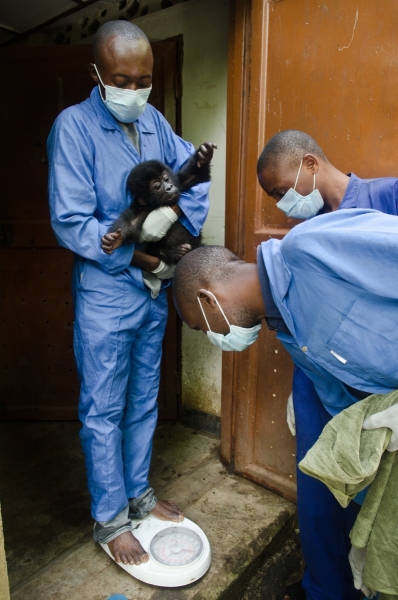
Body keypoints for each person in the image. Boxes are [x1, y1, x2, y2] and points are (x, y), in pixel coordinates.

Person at [48, 20, 210, 567]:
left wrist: (171, 240)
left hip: (153, 291)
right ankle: (110, 517)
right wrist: (137, 254)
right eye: (123, 78)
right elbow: (71, 220)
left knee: (144, 396)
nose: (134, 90)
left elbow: (194, 177)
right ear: (96, 73)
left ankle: (138, 494)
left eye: (144, 79)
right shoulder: (73, 127)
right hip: (107, 291)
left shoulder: (154, 120)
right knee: (103, 407)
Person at [172, 208, 398, 600]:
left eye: (201, 327)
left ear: (209, 299)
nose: (213, 337)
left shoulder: (310, 247)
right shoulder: (286, 327)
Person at [256, 130, 398, 600]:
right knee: (318, 489)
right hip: (318, 382)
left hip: (375, 387)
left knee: (370, 486)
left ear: (310, 165)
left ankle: (366, 586)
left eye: (280, 191)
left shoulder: (386, 196)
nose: (280, 203)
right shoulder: (303, 233)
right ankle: (323, 588)